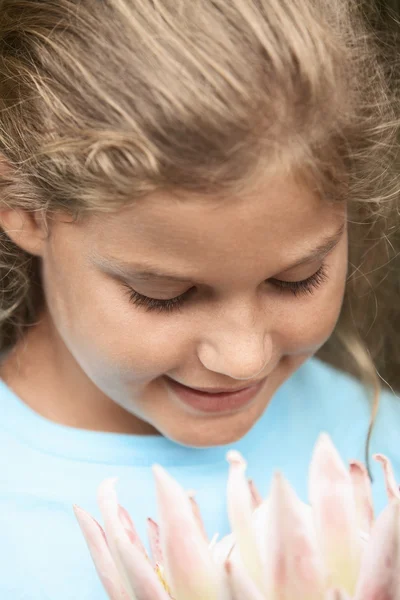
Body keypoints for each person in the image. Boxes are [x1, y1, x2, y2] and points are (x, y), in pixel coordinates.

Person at [0, 0, 399, 597]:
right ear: (23, 206)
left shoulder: (381, 446)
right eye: (163, 295)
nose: (244, 359)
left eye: (298, 278)